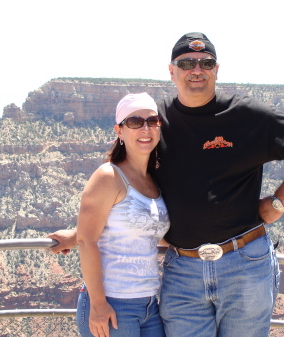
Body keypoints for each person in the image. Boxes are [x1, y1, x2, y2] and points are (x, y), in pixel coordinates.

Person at [49, 32, 284, 337]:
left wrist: (279, 204)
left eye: (205, 62)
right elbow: (131, 196)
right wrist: (79, 234)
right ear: (172, 71)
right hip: (184, 273)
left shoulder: (246, 114)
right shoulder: (157, 123)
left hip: (244, 264)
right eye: (187, 63)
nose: (197, 69)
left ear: (216, 69)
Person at [75, 92, 170, 337]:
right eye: (135, 122)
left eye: (152, 121)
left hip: (150, 303)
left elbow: (150, 233)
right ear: (119, 130)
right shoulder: (109, 176)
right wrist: (98, 304)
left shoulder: (154, 180)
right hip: (112, 303)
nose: (145, 128)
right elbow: (86, 240)